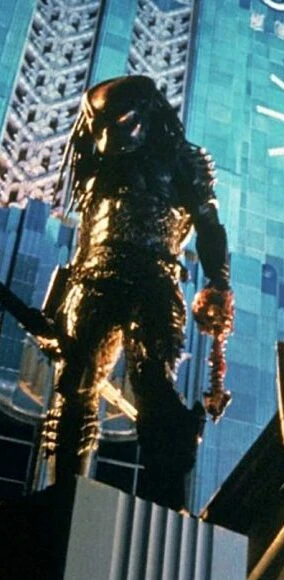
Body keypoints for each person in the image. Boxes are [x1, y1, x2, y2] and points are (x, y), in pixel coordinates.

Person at [43, 75, 234, 509]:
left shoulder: (182, 159)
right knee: (76, 387)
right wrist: (59, 303)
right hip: (94, 277)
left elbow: (209, 226)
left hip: (154, 278)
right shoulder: (94, 161)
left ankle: (167, 505)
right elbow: (88, 234)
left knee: (154, 387)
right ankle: (63, 498)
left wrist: (218, 281)